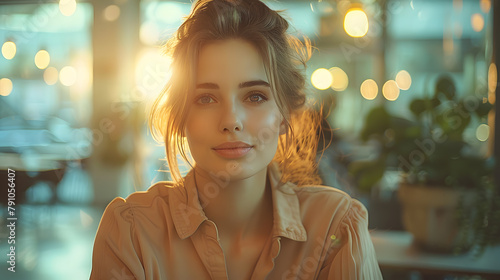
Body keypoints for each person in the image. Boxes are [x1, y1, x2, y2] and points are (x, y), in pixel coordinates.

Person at [90, 0, 382, 279]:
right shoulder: (131, 232)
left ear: (284, 116)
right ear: (179, 119)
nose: (231, 121)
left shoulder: (337, 226)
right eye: (205, 98)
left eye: (255, 96)